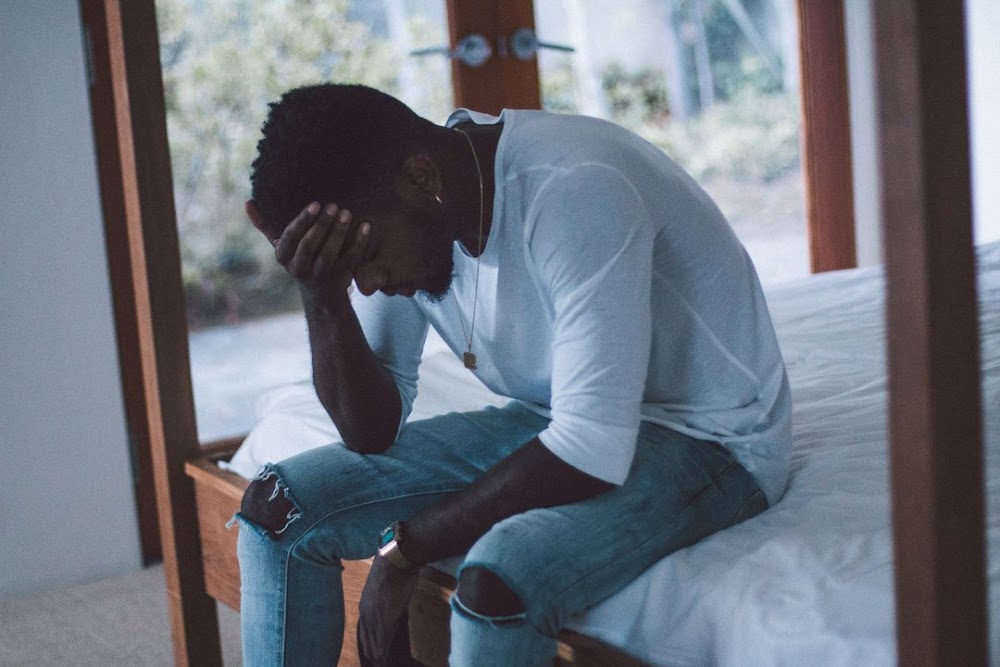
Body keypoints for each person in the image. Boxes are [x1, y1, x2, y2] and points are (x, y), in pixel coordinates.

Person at [235, 83, 791, 667]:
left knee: (494, 584)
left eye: (365, 261)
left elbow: (591, 448)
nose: (368, 286)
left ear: (421, 179)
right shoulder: (404, 207)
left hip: (710, 438)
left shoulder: (574, 188)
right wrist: (322, 296)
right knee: (279, 507)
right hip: (556, 416)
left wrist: (404, 548)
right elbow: (370, 431)